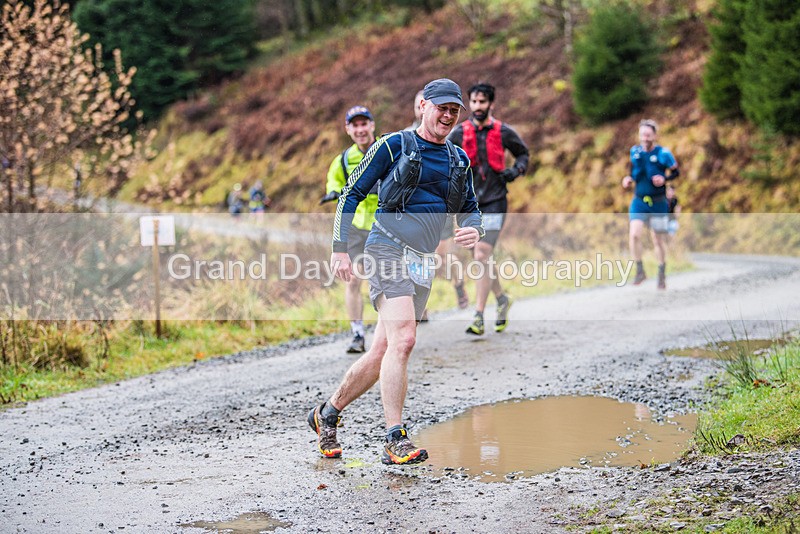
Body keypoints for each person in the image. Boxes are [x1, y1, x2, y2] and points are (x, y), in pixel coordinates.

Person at [308, 79, 483, 465]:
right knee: (404, 339)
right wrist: (339, 250)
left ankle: (328, 413)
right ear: (423, 105)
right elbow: (351, 194)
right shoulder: (393, 145)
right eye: (442, 107)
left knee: (383, 349)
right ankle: (394, 438)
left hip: (422, 260)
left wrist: (475, 227)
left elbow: (471, 207)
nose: (449, 115)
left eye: (455, 110)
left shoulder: (459, 159)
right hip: (385, 247)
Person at [448, 82, 529, 336]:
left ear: (491, 104)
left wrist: (515, 171)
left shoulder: (504, 131)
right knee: (482, 258)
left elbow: (523, 154)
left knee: (481, 255)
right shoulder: (459, 133)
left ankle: (479, 314)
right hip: (468, 203)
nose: (477, 106)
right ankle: (502, 299)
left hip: (495, 200)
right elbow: (443, 156)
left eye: (482, 102)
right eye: (473, 102)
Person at [320, 105, 380, 354]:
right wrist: (333, 192)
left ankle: (388, 333)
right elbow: (333, 184)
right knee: (353, 279)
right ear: (348, 130)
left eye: (363, 123)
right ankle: (357, 334)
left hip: (383, 225)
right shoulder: (342, 161)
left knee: (385, 280)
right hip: (355, 226)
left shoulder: (387, 151)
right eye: (354, 125)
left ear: (372, 125)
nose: (360, 129)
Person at [621, 119, 680, 290]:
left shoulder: (664, 154)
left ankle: (661, 273)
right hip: (639, 201)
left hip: (659, 203)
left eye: (648, 134)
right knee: (634, 234)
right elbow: (633, 171)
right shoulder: (635, 151)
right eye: (642, 135)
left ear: (654, 135)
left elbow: (676, 172)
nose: (645, 138)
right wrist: (628, 179)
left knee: (657, 240)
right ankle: (640, 270)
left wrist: (665, 179)